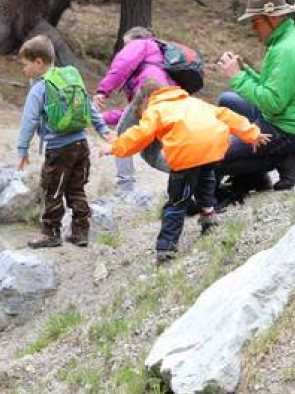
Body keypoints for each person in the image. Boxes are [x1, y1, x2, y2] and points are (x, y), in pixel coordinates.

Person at [99, 80, 269, 264]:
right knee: (205, 182)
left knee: (177, 201)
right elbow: (225, 115)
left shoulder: (155, 109)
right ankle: (209, 217)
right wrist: (252, 133)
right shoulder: (192, 102)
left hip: (187, 153)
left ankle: (166, 248)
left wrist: (115, 147)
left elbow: (139, 135)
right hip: (213, 149)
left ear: (146, 99)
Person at [215, 0, 295, 194]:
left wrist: (236, 77)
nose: (253, 29)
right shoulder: (285, 39)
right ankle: (278, 160)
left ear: (272, 18)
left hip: (286, 130)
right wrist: (244, 71)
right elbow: (270, 88)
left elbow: (272, 102)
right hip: (279, 118)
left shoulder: (285, 50)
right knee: (227, 100)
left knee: (213, 155)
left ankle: (275, 162)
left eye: (255, 22)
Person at [17, 35, 113, 248]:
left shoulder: (40, 88)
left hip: (59, 149)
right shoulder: (69, 79)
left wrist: (22, 149)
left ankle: (50, 233)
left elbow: (29, 120)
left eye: (25, 65)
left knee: (52, 188)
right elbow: (87, 106)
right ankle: (81, 232)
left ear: (38, 62)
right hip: (81, 145)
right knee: (76, 188)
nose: (23, 70)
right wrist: (103, 130)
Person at [92, 27, 175, 196]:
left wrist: (103, 90)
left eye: (125, 45)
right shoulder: (158, 62)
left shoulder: (141, 44)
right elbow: (132, 114)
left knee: (122, 137)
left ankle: (125, 191)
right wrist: (102, 117)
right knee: (150, 154)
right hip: (166, 103)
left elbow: (122, 64)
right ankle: (191, 174)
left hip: (151, 95)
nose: (124, 49)